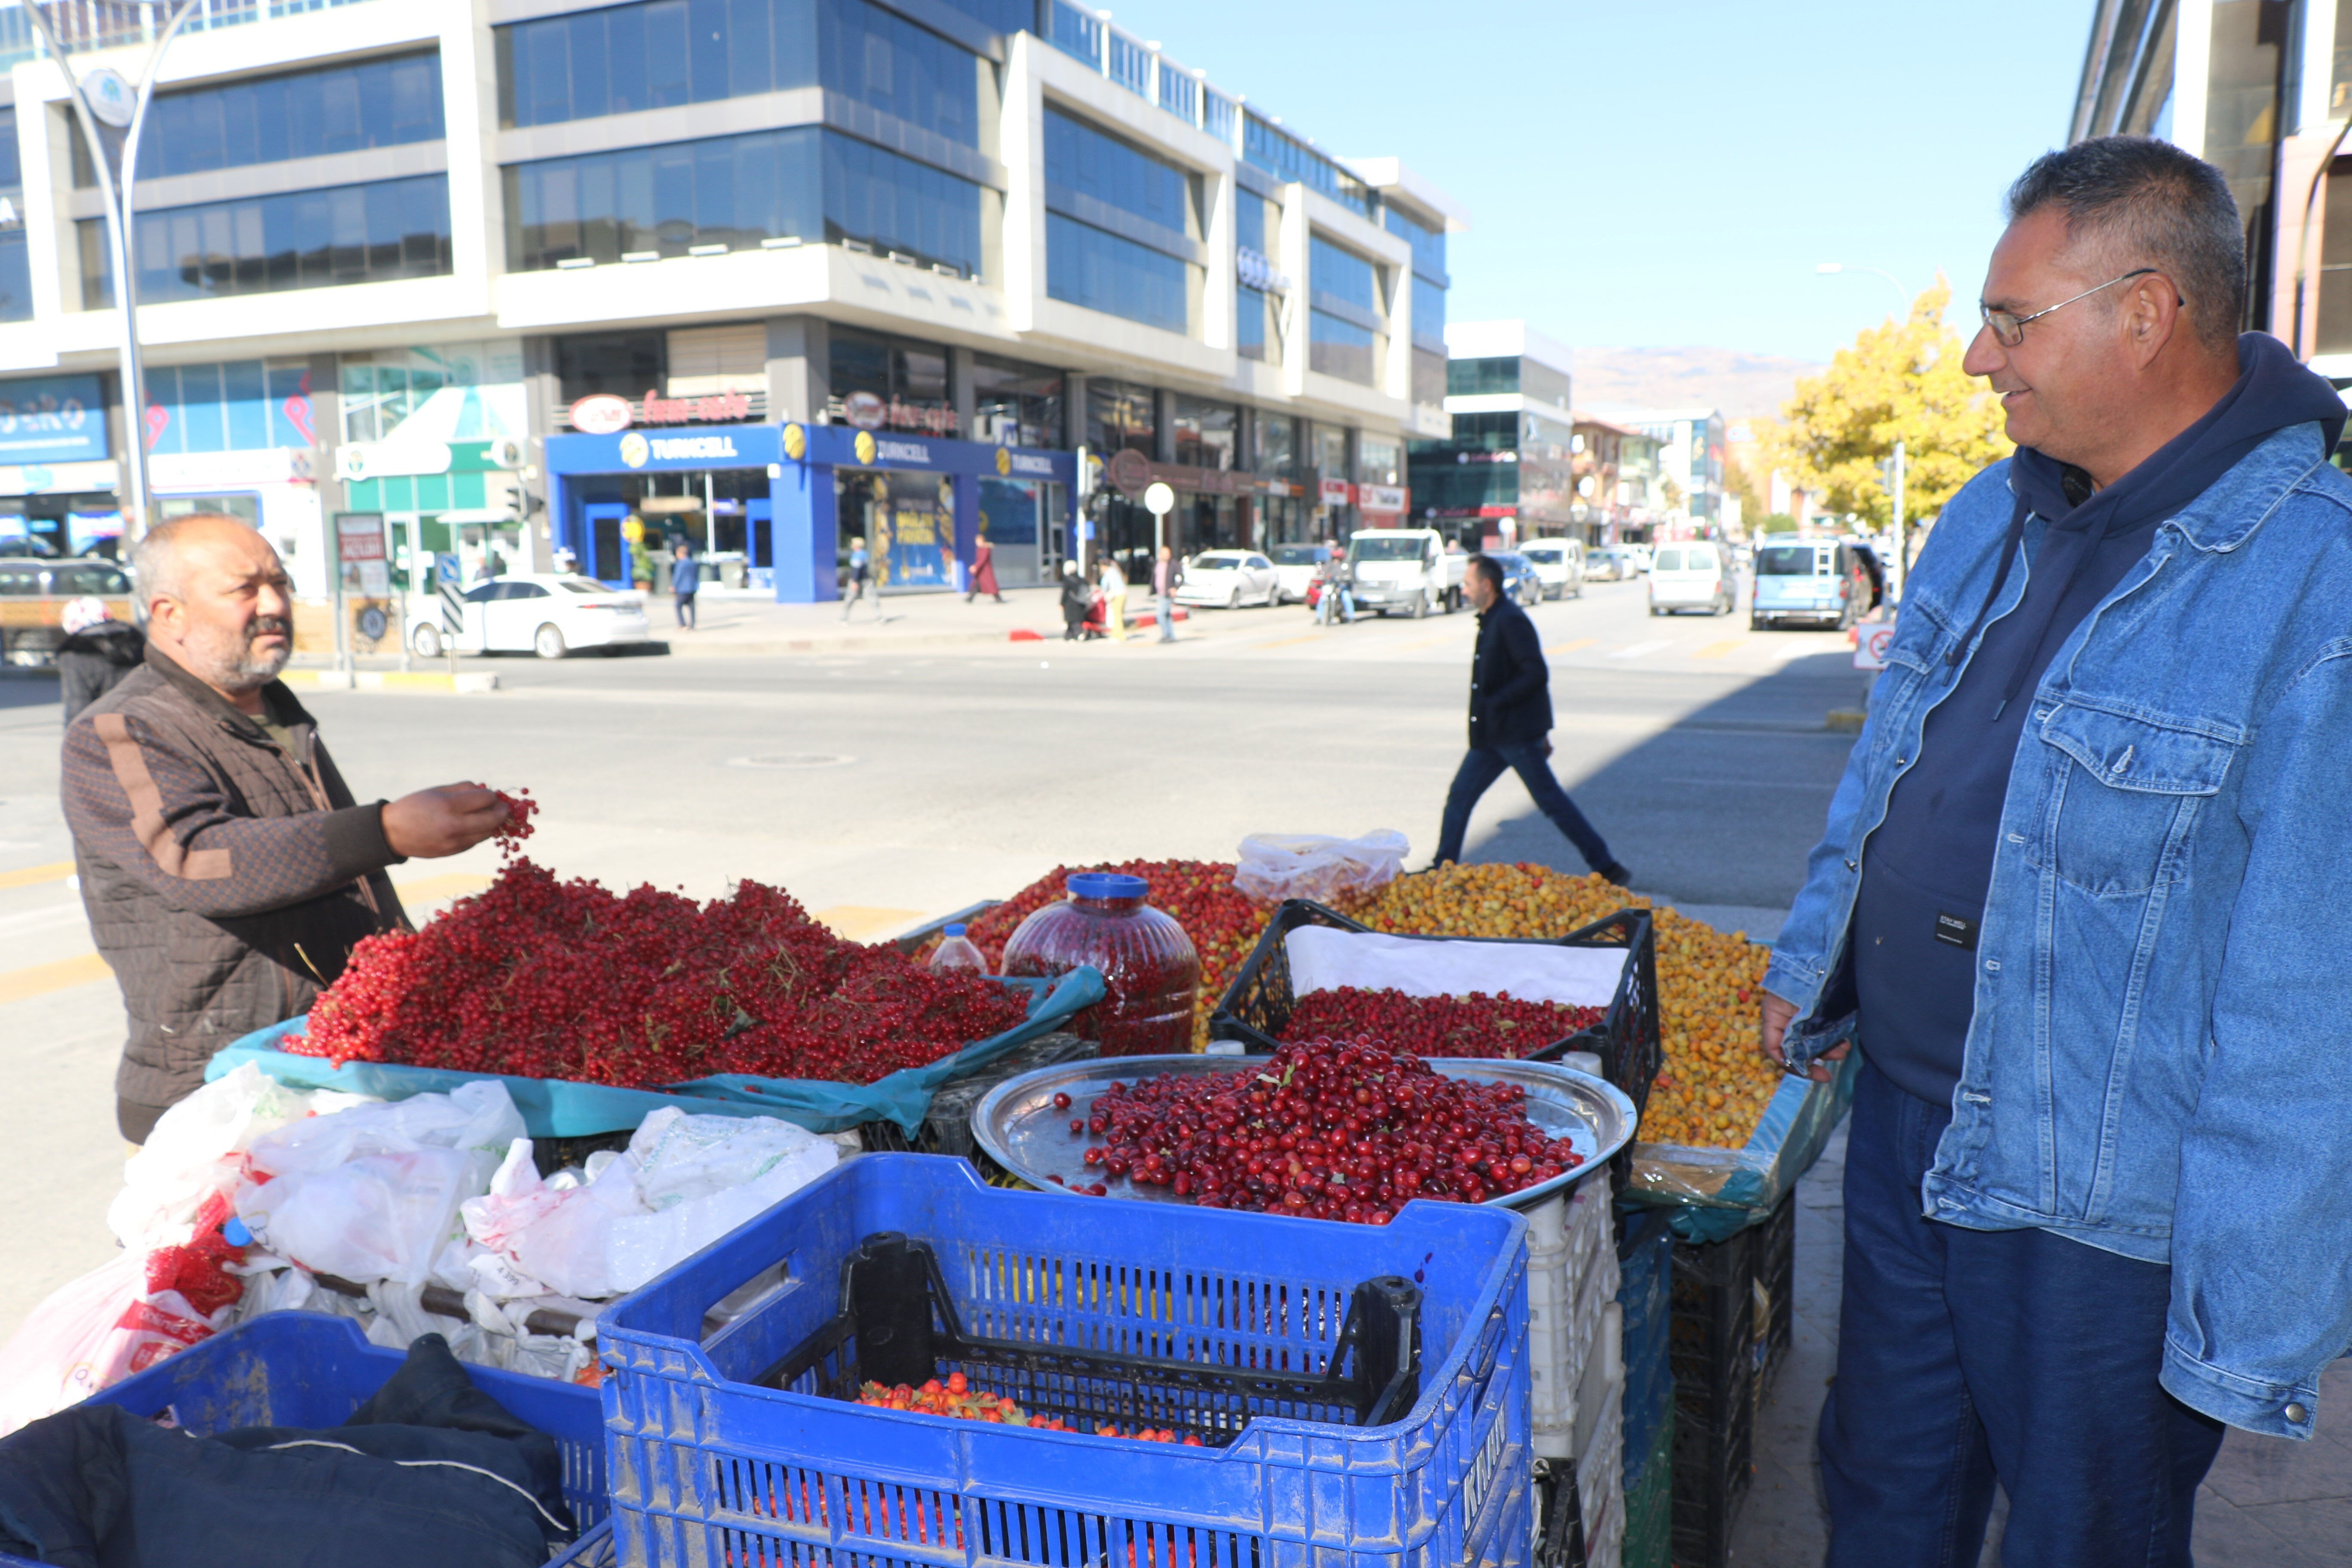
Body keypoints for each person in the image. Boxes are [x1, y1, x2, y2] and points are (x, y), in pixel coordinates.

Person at [1762, 138, 2352, 1566]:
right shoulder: (1991, 509)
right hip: (1908, 1125)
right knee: (1884, 1497)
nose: (1976, 357)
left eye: (2011, 320)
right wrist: (1815, 956)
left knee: (2083, 1535)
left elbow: (2308, 993)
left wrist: (2245, 1316)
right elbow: (1890, 764)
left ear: (2145, 315)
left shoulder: (2312, 580)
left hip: (2095, 1211)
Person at [60, 515, 511, 1144]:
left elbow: (349, 885)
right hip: (219, 1096)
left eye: (280, 584)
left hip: (332, 1067)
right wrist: (385, 832)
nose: (273, 605)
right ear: (170, 613)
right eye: (244, 589)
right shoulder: (120, 731)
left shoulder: (279, 715)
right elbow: (197, 859)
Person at [1432, 554, 1629, 885]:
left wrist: (1502, 706)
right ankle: (1442, 869)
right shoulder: (1491, 619)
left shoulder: (1509, 620)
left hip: (1514, 734)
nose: (1463, 591)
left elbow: (1535, 673)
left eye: (1467, 584)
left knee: (1552, 802)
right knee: (1460, 796)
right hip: (1492, 737)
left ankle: (1607, 867)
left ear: (1487, 585)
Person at [55, 594, 143, 724]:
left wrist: (74, 738)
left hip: (102, 730)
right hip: (143, 724)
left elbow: (77, 703)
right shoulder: (136, 644)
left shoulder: (74, 655)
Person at [1152, 545, 1182, 643]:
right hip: (1160, 593)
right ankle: (1171, 636)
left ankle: (1166, 635)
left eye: (1169, 553)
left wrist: (1175, 588)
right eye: (1165, 553)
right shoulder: (1157, 564)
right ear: (1160, 554)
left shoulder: (1173, 564)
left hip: (1168, 593)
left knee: (1161, 615)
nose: (1168, 555)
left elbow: (1180, 576)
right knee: (1167, 615)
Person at [840, 536, 874, 621]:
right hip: (866, 580)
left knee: (849, 599)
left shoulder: (857, 555)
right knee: (871, 597)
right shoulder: (865, 554)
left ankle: (844, 618)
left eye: (853, 544)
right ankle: (879, 616)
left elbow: (856, 570)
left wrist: (854, 582)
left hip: (857, 580)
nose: (852, 546)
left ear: (856, 545)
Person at [1059, 560, 1093, 640]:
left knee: (1072, 622)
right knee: (1078, 621)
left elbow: (1065, 593)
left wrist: (1061, 603)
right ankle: (1071, 636)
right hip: (1081, 604)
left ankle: (1076, 635)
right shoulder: (1082, 580)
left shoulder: (1068, 580)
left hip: (1070, 605)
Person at [965, 532, 1004, 603]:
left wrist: (975, 567)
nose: (978, 543)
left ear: (983, 541)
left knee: (991, 585)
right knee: (976, 584)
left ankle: (998, 598)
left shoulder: (986, 549)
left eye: (979, 541)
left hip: (986, 571)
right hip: (981, 571)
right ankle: (970, 598)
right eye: (977, 541)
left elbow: (983, 560)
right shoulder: (979, 549)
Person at [670, 542, 700, 630]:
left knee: (678, 606)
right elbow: (696, 575)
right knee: (692, 607)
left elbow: (678, 576)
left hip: (683, 589)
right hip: (692, 588)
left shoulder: (681, 563)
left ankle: (682, 624)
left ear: (680, 553)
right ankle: (692, 625)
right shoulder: (692, 563)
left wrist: (674, 586)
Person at [1099, 556, 1127, 642]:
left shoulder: (1109, 573)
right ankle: (1115, 634)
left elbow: (1105, 585)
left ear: (1104, 566)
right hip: (1122, 594)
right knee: (1117, 615)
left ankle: (1120, 636)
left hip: (1117, 595)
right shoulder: (1114, 571)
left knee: (1117, 615)